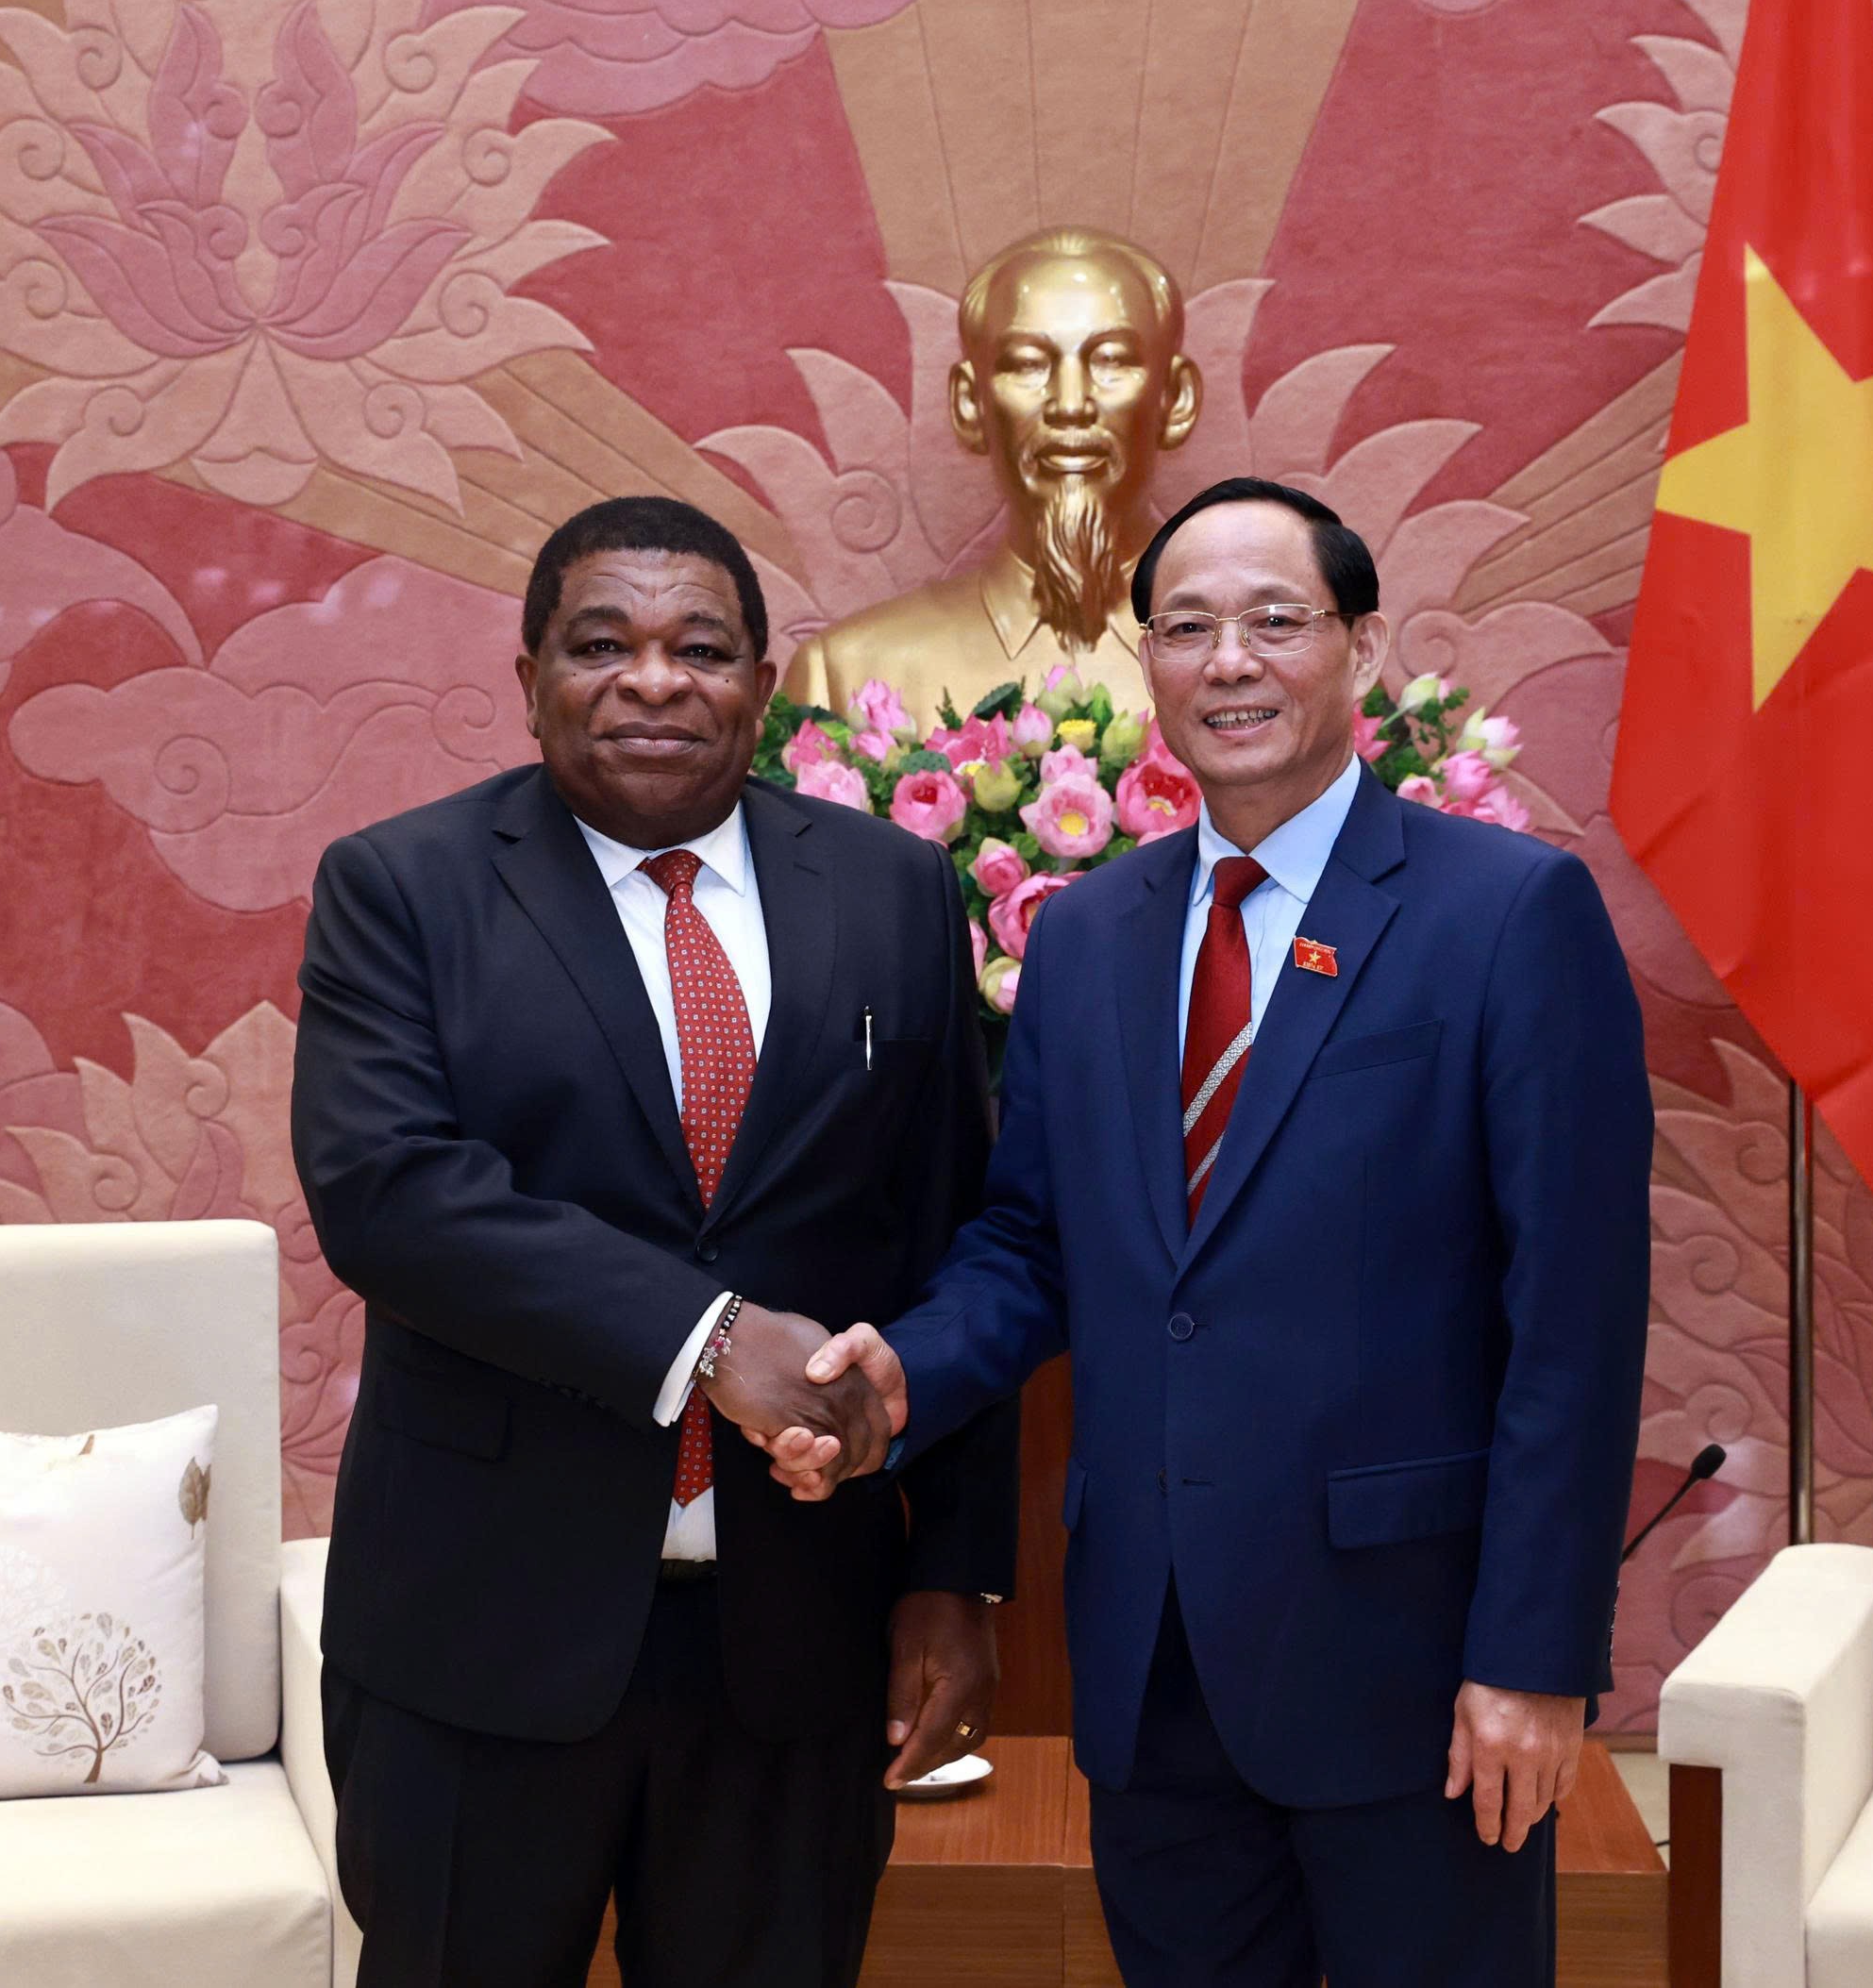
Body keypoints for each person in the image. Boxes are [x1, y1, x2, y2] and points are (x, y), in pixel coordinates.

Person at [771, 477, 1652, 1987]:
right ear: (1150, 667)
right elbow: (1032, 1243)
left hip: (1415, 1672)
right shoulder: (1087, 936)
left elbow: (1573, 1318)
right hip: (1154, 1661)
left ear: (1360, 645)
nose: (1228, 661)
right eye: (1185, 627)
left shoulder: (1508, 913)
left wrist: (1534, 1658)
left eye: (1274, 620)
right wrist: (907, 1374)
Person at [291, 494, 1018, 1988]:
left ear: (762, 681)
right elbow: (393, 1194)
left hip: (798, 1644)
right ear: (530, 677)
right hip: (480, 1636)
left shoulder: (891, 889)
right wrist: (710, 1341)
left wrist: (953, 1574)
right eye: (601, 645)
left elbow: (955, 1233)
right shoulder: (403, 888)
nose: (652, 681)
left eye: (700, 647)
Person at [780, 226, 1202, 727]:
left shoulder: (1252, 665)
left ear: (1176, 399)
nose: (1070, 404)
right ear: (969, 404)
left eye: (1111, 361)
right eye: (1027, 365)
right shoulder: (844, 676)